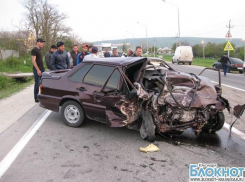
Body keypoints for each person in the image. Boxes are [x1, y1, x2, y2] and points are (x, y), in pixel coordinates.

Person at [31, 38, 45, 103]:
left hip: (42, 68)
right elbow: (33, 60)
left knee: (42, 83)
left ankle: (42, 95)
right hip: (37, 69)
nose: (42, 44)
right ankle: (36, 97)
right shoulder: (34, 50)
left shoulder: (40, 50)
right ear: (38, 42)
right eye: (41, 42)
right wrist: (38, 69)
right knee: (37, 83)